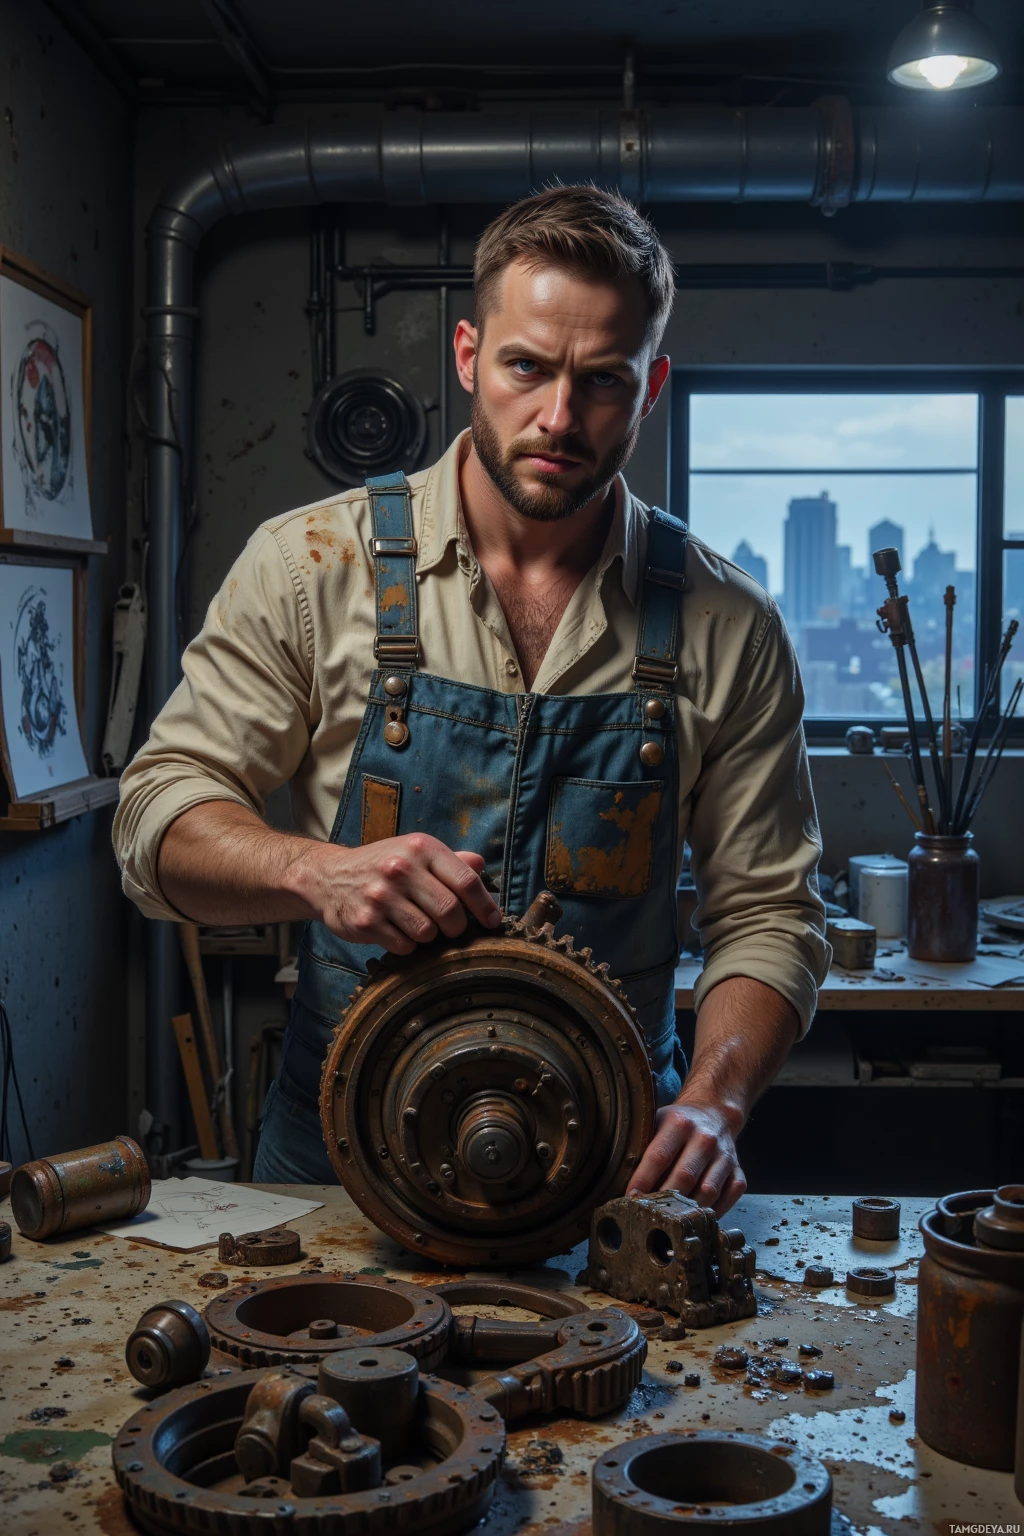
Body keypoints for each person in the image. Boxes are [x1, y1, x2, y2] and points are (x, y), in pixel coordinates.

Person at [114, 185, 829, 1213]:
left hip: (611, 1168)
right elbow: (155, 818)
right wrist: (316, 871)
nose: (558, 418)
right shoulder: (312, 566)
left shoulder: (730, 623)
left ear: (653, 385)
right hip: (337, 1168)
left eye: (603, 382)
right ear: (466, 355)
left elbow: (770, 913)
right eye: (526, 367)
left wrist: (714, 1102)